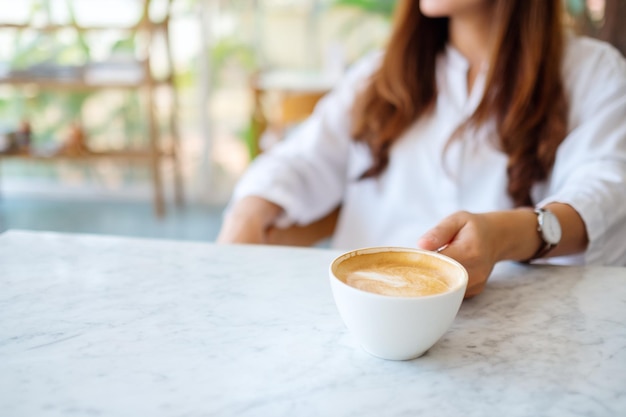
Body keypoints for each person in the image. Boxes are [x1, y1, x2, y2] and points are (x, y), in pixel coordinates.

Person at [218, 0, 626, 298]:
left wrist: (508, 235)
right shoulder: (378, 76)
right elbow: (301, 159)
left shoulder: (594, 74)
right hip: (362, 329)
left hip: (520, 341)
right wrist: (250, 208)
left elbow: (606, 192)